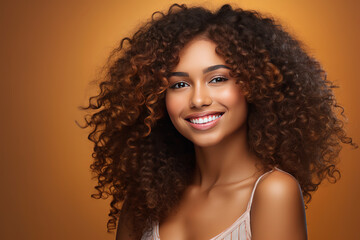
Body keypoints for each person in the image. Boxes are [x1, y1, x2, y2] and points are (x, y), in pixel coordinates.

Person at [80, 3, 356, 240]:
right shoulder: (144, 197)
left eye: (218, 79)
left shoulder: (273, 192)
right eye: (179, 85)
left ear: (256, 85)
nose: (198, 99)